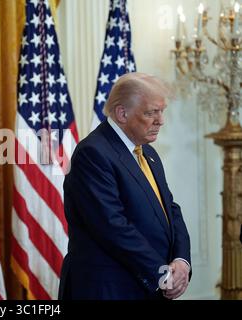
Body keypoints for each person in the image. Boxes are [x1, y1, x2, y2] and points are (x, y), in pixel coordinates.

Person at [58, 72, 191, 300]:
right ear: (122, 113)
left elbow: (170, 209)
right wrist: (162, 274)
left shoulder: (147, 152)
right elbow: (113, 227)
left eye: (162, 111)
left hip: (147, 284)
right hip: (109, 290)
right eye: (151, 113)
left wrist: (181, 261)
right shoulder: (93, 153)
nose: (161, 120)